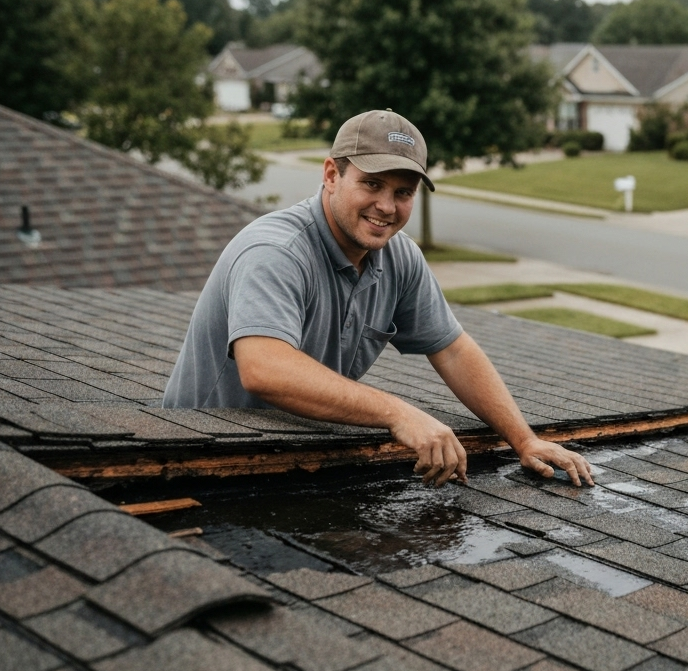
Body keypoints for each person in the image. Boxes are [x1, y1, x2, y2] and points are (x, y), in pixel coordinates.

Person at [163, 109, 593, 488]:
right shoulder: (277, 251)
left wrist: (524, 439)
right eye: (372, 183)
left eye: (403, 192)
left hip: (292, 463)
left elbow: (454, 350)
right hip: (194, 462)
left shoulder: (399, 256)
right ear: (331, 175)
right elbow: (264, 369)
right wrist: (399, 413)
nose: (386, 207)